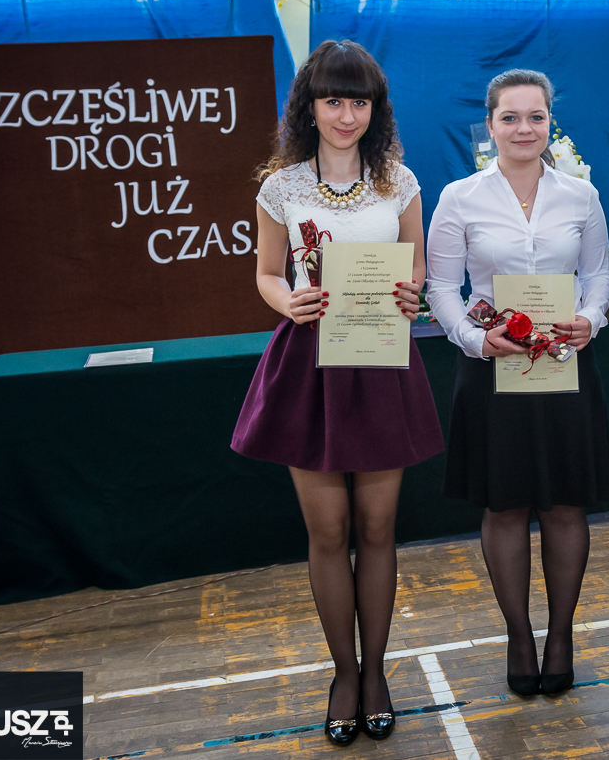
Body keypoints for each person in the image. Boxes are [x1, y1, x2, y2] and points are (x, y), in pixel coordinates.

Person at [230, 40, 443, 746]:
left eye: (359, 101)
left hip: (381, 360)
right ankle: (344, 675)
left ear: (375, 108)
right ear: (310, 106)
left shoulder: (400, 182)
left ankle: (375, 672)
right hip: (310, 366)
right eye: (333, 100)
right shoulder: (281, 187)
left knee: (378, 530)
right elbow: (267, 273)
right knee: (328, 533)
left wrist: (412, 294)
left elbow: (416, 268)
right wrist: (285, 299)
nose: (346, 114)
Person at [426, 69, 609, 698]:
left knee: (565, 504)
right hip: (491, 368)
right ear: (491, 124)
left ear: (550, 122)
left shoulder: (581, 196)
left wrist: (591, 318)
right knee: (503, 505)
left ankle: (560, 635)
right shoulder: (460, 197)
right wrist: (474, 340)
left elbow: (599, 277)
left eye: (536, 117)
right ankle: (519, 635)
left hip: (564, 363)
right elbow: (440, 288)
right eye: (511, 117)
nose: (524, 129)